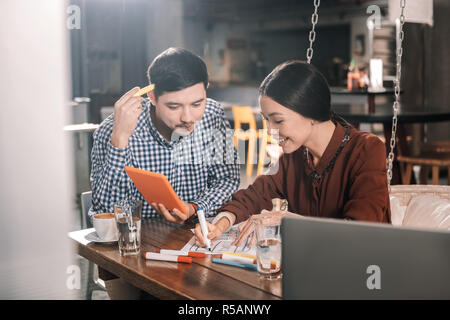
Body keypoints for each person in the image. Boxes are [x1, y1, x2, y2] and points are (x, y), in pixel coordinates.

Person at [89, 48, 240, 299]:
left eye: (197, 103)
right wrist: (120, 139)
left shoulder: (212, 114)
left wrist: (192, 207)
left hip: (196, 242)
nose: (188, 117)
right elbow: (105, 213)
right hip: (133, 255)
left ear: (207, 89)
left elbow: (228, 180)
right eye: (173, 106)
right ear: (153, 98)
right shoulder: (115, 130)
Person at [194, 60, 391, 248]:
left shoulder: (367, 150)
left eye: (278, 121)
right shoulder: (294, 155)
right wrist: (219, 225)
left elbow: (361, 232)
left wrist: (291, 221)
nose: (270, 131)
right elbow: (252, 196)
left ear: (312, 113)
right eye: (266, 120)